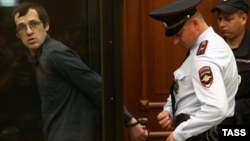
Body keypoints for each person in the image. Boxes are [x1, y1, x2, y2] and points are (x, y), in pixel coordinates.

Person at [12, 2, 148, 141]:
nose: (29, 31)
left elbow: (95, 85)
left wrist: (130, 121)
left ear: (46, 25)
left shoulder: (54, 53)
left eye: (34, 24)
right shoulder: (41, 56)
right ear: (18, 34)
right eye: (22, 27)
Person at [148, 0, 238, 141]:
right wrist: (170, 109)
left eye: (178, 34)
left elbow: (217, 108)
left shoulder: (205, 56)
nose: (175, 41)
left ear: (195, 24)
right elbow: (187, 87)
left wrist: (179, 134)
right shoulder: (203, 46)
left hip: (204, 134)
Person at [211, 0, 250, 125]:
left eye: (228, 19)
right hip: (213, 123)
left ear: (243, 19)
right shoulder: (212, 48)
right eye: (219, 19)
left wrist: (230, 108)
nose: (222, 24)